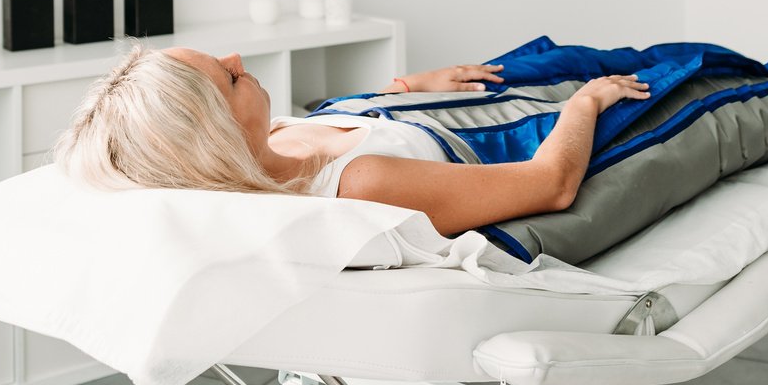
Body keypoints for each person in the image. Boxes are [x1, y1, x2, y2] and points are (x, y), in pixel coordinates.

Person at [53, 43, 649, 235]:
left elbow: (345, 119)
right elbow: (551, 185)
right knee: (661, 67)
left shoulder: (278, 140)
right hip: (521, 126)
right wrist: (586, 102)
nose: (238, 57)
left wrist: (408, 86)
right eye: (230, 76)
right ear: (220, 135)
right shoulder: (364, 185)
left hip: (442, 102)